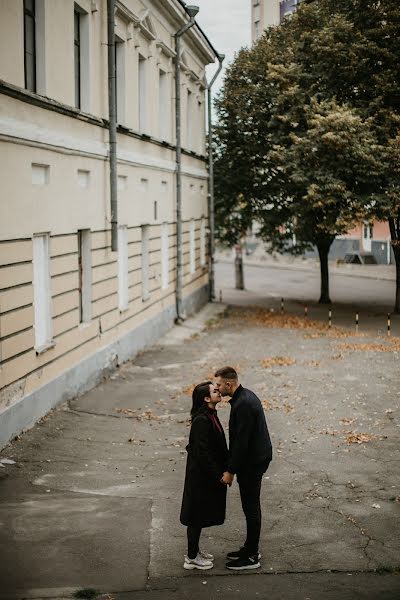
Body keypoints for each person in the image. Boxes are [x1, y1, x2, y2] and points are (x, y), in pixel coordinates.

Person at [214, 366, 273, 571]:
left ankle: (252, 556)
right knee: (250, 507)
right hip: (254, 459)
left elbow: (242, 443)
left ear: (229, 384)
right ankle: (249, 548)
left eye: (219, 384)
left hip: (253, 462)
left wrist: (231, 471)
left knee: (251, 508)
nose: (217, 388)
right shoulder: (243, 398)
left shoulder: (243, 404)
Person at [180, 381, 229, 570]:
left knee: (198, 515)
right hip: (199, 478)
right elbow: (202, 452)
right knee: (195, 516)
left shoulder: (210, 414)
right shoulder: (202, 419)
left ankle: (194, 552)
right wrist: (219, 475)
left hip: (202, 476)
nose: (219, 391)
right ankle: (191, 558)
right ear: (207, 398)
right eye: (215, 391)